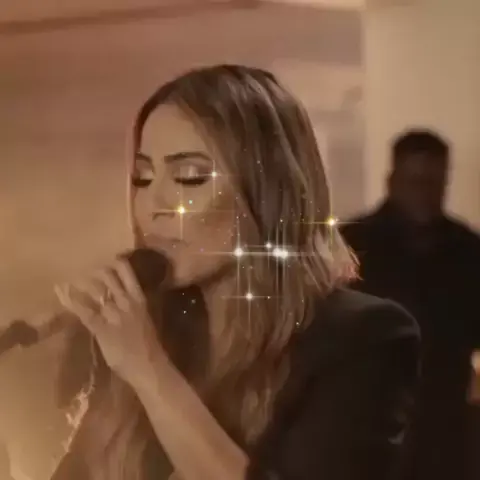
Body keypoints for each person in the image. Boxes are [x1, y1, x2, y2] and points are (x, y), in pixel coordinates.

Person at [50, 65, 419, 480]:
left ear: (266, 193)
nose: (154, 204)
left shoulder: (363, 338)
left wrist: (149, 370)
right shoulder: (148, 327)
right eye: (143, 177)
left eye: (189, 178)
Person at [341, 129, 480, 480]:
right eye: (414, 182)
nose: (424, 193)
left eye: (434, 183)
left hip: (444, 430)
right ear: (392, 181)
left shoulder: (468, 251)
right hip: (365, 425)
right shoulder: (351, 245)